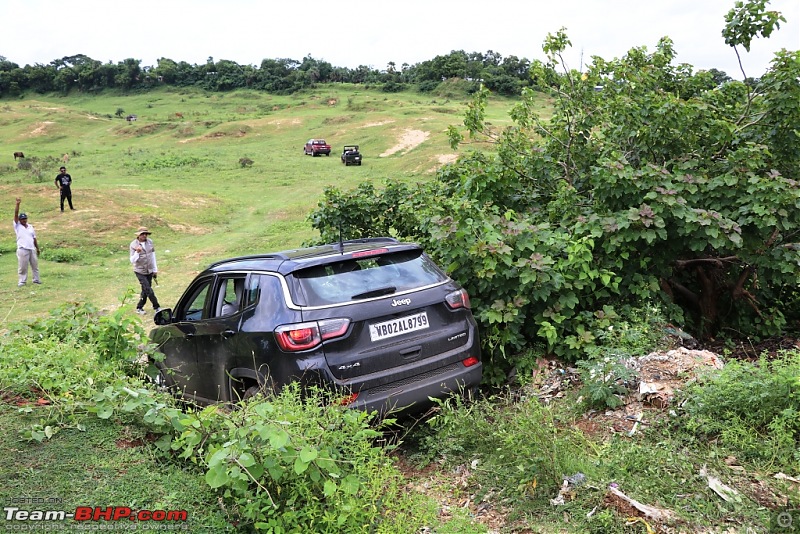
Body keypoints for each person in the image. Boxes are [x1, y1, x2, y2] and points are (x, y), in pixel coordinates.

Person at [129, 227, 161, 315]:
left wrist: (155, 269)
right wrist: (137, 252)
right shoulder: (133, 244)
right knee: (148, 289)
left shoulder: (150, 242)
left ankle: (139, 307)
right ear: (138, 235)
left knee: (145, 290)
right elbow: (132, 260)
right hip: (139, 271)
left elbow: (153, 256)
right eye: (142, 234)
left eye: (146, 234)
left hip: (149, 270)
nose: (144, 236)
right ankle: (157, 307)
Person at [13, 197, 41, 286]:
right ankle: (22, 281)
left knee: (35, 266)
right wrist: (17, 204)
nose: (24, 220)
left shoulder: (30, 227)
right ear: (20, 220)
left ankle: (36, 280)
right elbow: (16, 214)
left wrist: (37, 248)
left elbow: (34, 238)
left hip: (31, 249)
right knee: (23, 267)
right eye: (22, 219)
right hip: (23, 249)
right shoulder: (17, 226)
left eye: (25, 218)